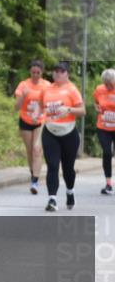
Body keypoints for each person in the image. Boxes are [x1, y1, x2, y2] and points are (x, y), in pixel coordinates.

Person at [40, 61, 86, 212]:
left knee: (68, 169)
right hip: (50, 131)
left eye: (62, 71)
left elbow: (82, 111)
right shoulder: (47, 89)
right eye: (56, 71)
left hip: (68, 133)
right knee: (52, 166)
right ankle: (52, 199)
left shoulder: (72, 90)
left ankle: (70, 191)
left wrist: (69, 109)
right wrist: (37, 115)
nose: (58, 73)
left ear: (67, 74)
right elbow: (41, 108)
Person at [14, 59, 49, 194]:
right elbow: (16, 107)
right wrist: (23, 96)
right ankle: (32, 172)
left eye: (38, 72)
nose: (35, 75)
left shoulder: (47, 85)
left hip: (40, 121)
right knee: (29, 150)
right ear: (30, 71)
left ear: (42, 72)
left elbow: (50, 104)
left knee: (37, 149)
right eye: (33, 72)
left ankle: (35, 181)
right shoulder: (23, 85)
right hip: (25, 120)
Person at [92, 68, 115, 195]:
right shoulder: (99, 89)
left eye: (110, 83)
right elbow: (95, 103)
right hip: (103, 126)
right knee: (107, 152)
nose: (108, 86)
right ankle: (108, 183)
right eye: (106, 84)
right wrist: (97, 108)